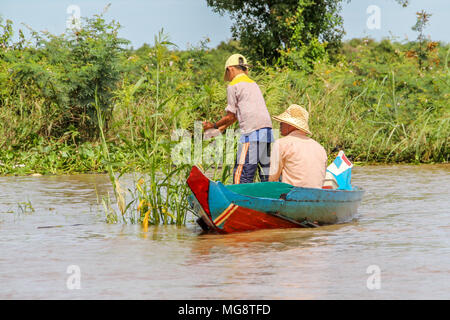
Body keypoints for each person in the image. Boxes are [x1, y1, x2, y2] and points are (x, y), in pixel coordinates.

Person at [203, 54, 273, 184]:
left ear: (230, 69)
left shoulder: (233, 85)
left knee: (242, 175)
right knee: (265, 175)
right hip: (267, 132)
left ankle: (236, 201)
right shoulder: (253, 84)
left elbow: (230, 115)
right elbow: (237, 116)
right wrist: (221, 129)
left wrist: (213, 125)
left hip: (252, 133)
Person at [268, 104, 327, 188]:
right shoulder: (319, 147)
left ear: (291, 125)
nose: (280, 125)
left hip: (292, 195)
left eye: (283, 122)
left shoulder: (281, 143)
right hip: (316, 195)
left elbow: (272, 177)